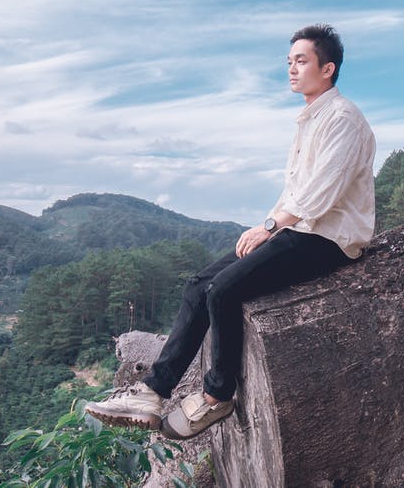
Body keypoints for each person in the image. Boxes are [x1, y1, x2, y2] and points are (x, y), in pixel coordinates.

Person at [85, 23, 376, 439]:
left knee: (223, 290)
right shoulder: (310, 120)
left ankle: (217, 397)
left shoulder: (343, 118)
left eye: (301, 61)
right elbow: (294, 189)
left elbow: (321, 192)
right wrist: (267, 227)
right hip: (298, 229)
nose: (291, 69)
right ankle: (152, 392)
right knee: (198, 285)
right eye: (289, 61)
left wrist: (271, 227)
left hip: (327, 239)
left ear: (327, 68)